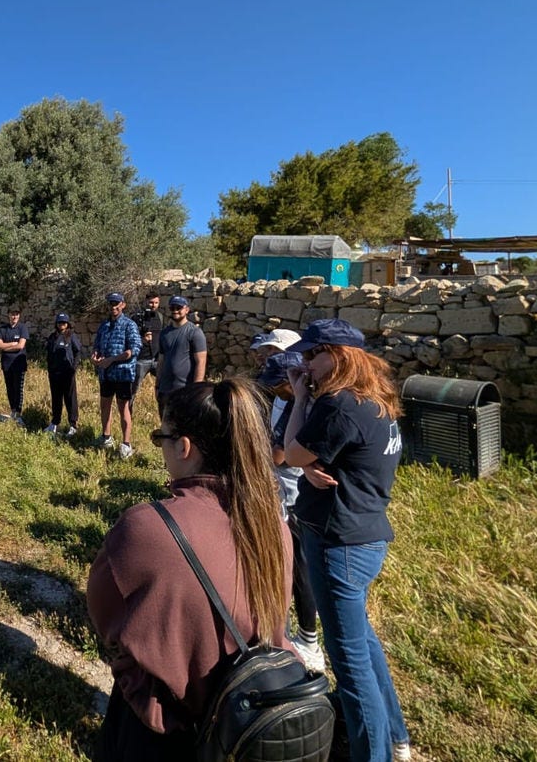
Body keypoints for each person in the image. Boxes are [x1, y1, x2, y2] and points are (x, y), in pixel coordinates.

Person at [86, 379, 294, 760]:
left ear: (184, 447)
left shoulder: (147, 526)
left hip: (165, 727)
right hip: (246, 726)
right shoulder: (274, 527)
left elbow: (103, 611)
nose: (161, 446)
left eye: (160, 437)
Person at [283, 318, 412, 762]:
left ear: (337, 356)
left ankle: (372, 753)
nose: (305, 364)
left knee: (350, 664)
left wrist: (301, 398)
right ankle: (396, 736)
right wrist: (308, 465)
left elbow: (290, 451)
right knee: (363, 644)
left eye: (312, 354)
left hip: (337, 542)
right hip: (366, 534)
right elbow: (343, 459)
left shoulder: (337, 405)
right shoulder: (375, 402)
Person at [257, 351, 324, 674]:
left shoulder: (304, 405)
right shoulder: (286, 401)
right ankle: (279, 631)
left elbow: (279, 455)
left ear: (292, 380)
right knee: (284, 565)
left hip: (297, 498)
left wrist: (253, 452)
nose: (273, 391)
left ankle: (309, 639)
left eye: (277, 385)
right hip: (283, 495)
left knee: (299, 568)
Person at [92, 293, 142, 459]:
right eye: (111, 304)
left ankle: (126, 444)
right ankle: (106, 437)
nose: (113, 307)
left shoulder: (129, 325)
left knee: (123, 407)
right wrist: (95, 356)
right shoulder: (104, 325)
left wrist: (111, 360)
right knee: (105, 404)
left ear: (123, 305)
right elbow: (97, 345)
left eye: (116, 304)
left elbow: (134, 350)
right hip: (106, 375)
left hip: (122, 374)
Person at [155, 295, 207, 418]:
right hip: (165, 390)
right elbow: (161, 361)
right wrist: (157, 385)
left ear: (187, 310)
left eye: (179, 308)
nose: (175, 311)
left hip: (185, 390)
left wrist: (196, 390)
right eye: (172, 308)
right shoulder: (164, 333)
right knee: (165, 424)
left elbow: (201, 362)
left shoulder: (194, 332)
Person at [45, 313, 82, 438]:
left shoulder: (71, 336)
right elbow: (49, 353)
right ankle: (55, 423)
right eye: (60, 322)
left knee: (70, 399)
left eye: (64, 322)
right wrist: (50, 368)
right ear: (56, 323)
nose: (62, 325)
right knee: (56, 398)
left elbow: (77, 352)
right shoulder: (52, 337)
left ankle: (73, 425)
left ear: (68, 324)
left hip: (67, 373)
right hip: (55, 373)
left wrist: (73, 368)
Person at [0, 307, 29, 425]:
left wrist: (6, 347)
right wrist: (12, 344)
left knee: (18, 388)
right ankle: (13, 411)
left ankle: (18, 414)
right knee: (9, 388)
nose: (14, 316)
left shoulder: (22, 328)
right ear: (8, 315)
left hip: (19, 364)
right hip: (6, 364)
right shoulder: (3, 329)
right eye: (12, 314)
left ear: (19, 315)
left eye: (16, 314)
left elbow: (20, 346)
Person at [133, 292, 163, 397]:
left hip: (156, 359)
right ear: (146, 302)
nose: (153, 305)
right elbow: (130, 339)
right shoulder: (136, 317)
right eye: (151, 302)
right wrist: (142, 340)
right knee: (133, 390)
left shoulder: (160, 317)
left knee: (163, 388)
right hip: (141, 359)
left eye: (156, 303)